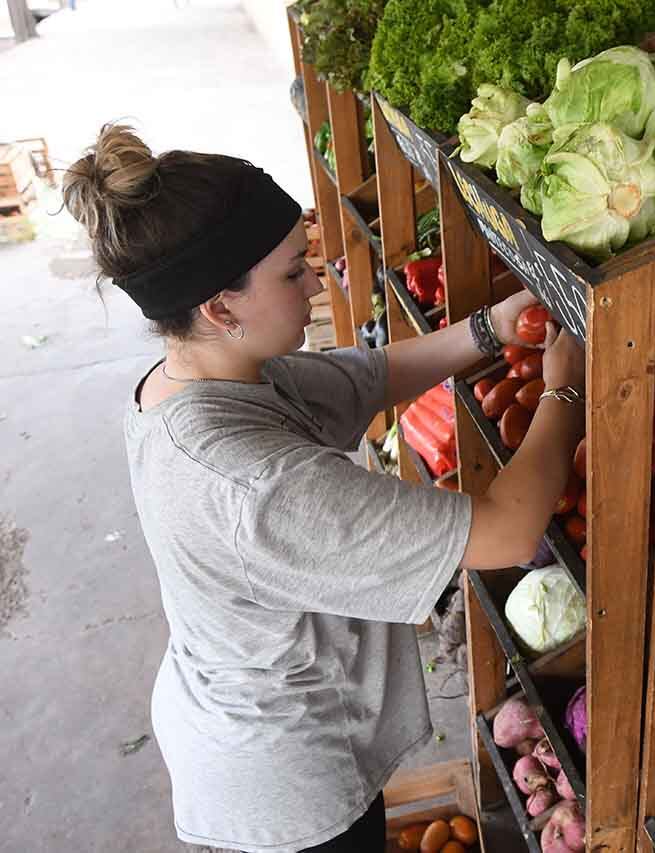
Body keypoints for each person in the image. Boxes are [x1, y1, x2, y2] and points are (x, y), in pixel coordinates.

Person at [62, 123, 586, 853]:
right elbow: (509, 530)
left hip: (234, 708)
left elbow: (371, 376)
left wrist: (494, 328)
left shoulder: (197, 380)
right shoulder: (252, 482)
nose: (315, 281)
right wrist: (566, 393)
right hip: (286, 782)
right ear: (221, 306)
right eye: (293, 272)